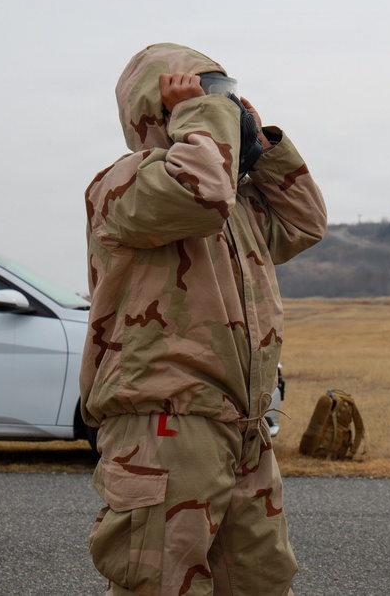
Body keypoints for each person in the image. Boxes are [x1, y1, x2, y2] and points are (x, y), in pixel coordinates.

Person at [81, 42, 327, 595]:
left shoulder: (234, 203)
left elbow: (306, 222)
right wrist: (201, 118)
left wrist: (263, 149)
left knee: (260, 582)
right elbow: (200, 193)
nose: (224, 109)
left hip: (239, 425)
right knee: (163, 583)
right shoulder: (124, 185)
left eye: (226, 97)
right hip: (167, 424)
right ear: (160, 110)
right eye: (203, 96)